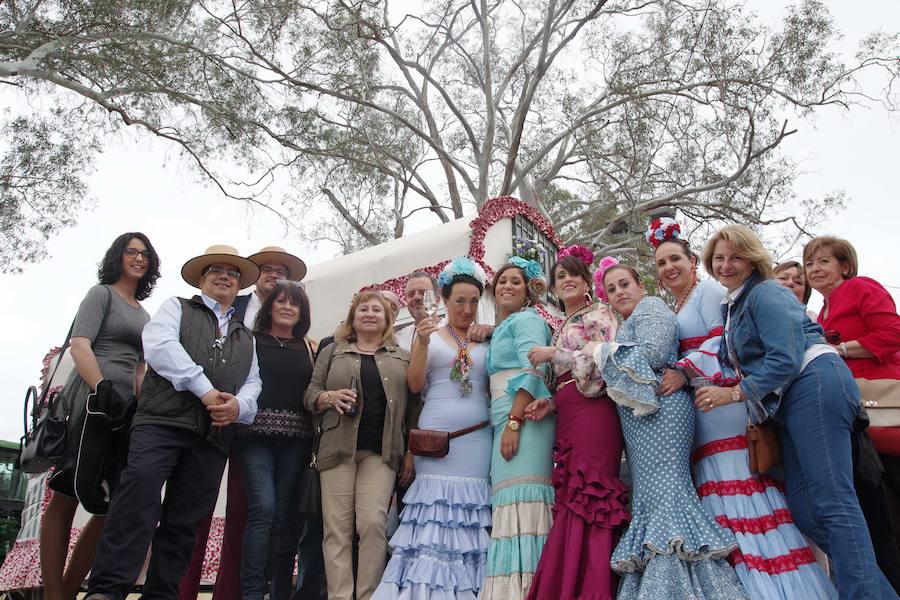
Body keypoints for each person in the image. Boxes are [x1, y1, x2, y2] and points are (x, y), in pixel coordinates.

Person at [695, 225, 896, 599]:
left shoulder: (767, 292)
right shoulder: (736, 303)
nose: (725, 264)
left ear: (752, 258)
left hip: (813, 382)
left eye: (735, 256)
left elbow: (784, 358)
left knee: (833, 501)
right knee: (805, 510)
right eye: (719, 258)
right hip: (788, 403)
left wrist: (734, 395)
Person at [649, 219, 836, 599]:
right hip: (701, 411)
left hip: (723, 401)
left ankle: (777, 587)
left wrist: (684, 371)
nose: (668, 268)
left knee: (745, 495)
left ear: (691, 262)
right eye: (660, 263)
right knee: (721, 503)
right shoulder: (679, 303)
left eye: (675, 259)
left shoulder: (708, 293)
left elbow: (723, 344)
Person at [84, 245, 262, 600]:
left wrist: (238, 407)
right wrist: (206, 390)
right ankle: (106, 590)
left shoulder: (246, 335)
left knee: (185, 523)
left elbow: (254, 383)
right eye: (216, 270)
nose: (224, 276)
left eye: (232, 273)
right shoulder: (176, 307)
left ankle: (162, 595)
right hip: (161, 423)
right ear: (202, 278)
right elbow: (161, 347)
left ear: (239, 285)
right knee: (138, 498)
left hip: (211, 436)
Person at [593, 259, 748, 599]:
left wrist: (597, 351)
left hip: (663, 411)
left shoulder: (651, 308)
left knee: (667, 494)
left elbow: (655, 352)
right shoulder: (629, 322)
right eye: (612, 289)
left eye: (625, 284)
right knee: (650, 497)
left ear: (642, 286)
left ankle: (672, 589)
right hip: (642, 422)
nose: (619, 292)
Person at [179, 246, 307, 600]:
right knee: (194, 511)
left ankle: (234, 593)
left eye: (281, 270)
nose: (273, 275)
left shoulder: (301, 339)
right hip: (207, 418)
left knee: (252, 513)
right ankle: (180, 590)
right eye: (265, 269)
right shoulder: (226, 305)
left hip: (255, 425)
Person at [40, 233, 159, 600]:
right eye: (131, 252)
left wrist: (141, 403)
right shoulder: (101, 294)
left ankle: (74, 588)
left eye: (145, 254)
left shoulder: (145, 313)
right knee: (67, 493)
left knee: (114, 504)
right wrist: (101, 386)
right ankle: (55, 594)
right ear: (118, 256)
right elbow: (80, 344)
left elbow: (140, 367)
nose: (138, 259)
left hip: (123, 411)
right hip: (90, 403)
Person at [373, 256, 492, 599]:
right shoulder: (428, 335)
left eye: (473, 301)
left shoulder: (486, 337)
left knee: (468, 518)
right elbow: (413, 385)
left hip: (476, 441)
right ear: (443, 299)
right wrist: (423, 343)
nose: (467, 309)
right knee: (431, 518)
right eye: (459, 301)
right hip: (435, 442)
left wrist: (493, 331)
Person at [523, 246, 628, 600]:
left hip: (596, 416)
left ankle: (592, 588)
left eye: (574, 275)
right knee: (571, 498)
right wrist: (550, 403)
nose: (567, 280)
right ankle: (566, 583)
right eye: (560, 276)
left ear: (587, 282)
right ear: (553, 287)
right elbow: (569, 377)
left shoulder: (598, 313)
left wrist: (556, 354)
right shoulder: (564, 322)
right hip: (568, 416)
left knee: (591, 495)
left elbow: (607, 363)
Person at [304, 292, 415, 600]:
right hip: (336, 450)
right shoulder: (333, 351)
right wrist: (329, 397)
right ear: (353, 317)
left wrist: (410, 452)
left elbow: (413, 409)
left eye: (376, 309)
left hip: (381, 453)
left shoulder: (402, 356)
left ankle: (369, 595)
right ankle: (339, 596)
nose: (369, 313)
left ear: (388, 318)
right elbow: (310, 393)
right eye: (362, 309)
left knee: (372, 525)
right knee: (336, 530)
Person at [804, 235, 900, 593]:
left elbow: (892, 332)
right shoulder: (824, 310)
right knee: (877, 519)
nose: (815, 269)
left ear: (845, 266)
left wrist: (839, 350)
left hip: (885, 410)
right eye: (810, 263)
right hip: (857, 424)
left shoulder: (862, 288)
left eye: (824, 262)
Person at [233, 281, 316, 600]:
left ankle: (279, 590)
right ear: (269, 307)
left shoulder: (309, 347)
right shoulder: (250, 342)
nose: (286, 307)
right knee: (263, 510)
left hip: (297, 441)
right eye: (280, 301)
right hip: (255, 437)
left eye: (294, 303)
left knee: (284, 517)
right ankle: (252, 592)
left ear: (301, 312)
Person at [480, 257, 555, 600]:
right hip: (502, 419)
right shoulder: (508, 325)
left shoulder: (528, 320)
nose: (507, 286)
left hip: (525, 419)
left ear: (528, 292)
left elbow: (534, 368)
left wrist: (514, 421)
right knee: (506, 503)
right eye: (501, 282)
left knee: (523, 501)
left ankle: (530, 590)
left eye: (515, 281)